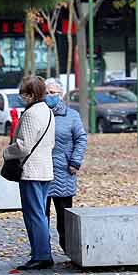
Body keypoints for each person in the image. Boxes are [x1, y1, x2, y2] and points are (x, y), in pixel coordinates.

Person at [12, 75, 58, 270]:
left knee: (34, 214)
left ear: (31, 94)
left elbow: (23, 146)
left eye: (24, 93)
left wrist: (7, 152)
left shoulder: (31, 114)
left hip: (32, 170)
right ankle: (42, 252)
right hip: (45, 168)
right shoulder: (48, 111)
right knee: (39, 212)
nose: (22, 97)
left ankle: (41, 255)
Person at [43, 78, 86, 252]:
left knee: (64, 217)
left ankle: (69, 249)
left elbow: (81, 139)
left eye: (52, 93)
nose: (49, 96)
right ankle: (42, 251)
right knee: (40, 216)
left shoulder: (72, 116)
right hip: (41, 171)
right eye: (46, 92)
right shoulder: (37, 113)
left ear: (61, 95)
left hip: (64, 171)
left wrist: (75, 161)